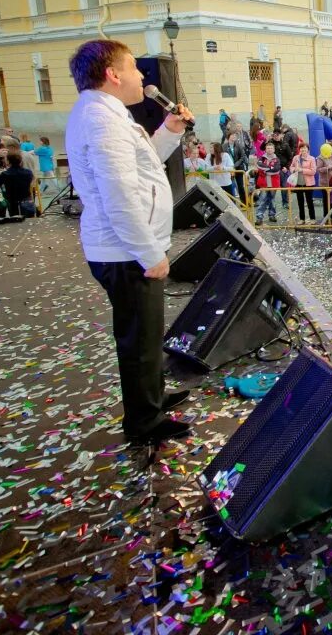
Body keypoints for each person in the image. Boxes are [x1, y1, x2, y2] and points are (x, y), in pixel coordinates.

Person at [64, 39, 191, 445]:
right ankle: (144, 422)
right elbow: (119, 193)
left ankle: (150, 398)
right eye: (135, 68)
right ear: (113, 74)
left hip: (125, 248)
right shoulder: (102, 120)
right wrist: (149, 253)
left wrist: (169, 133)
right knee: (140, 339)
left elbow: (140, 165)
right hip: (125, 251)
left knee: (147, 335)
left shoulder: (107, 114)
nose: (142, 76)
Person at [288, 143, 318, 223]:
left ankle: (312, 219)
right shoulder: (296, 158)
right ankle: (302, 219)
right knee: (300, 202)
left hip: (309, 183)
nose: (303, 150)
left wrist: (302, 170)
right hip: (298, 182)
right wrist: (294, 170)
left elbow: (313, 171)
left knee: (309, 201)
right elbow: (291, 167)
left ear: (308, 149)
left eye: (305, 148)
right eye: (301, 148)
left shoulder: (312, 159)